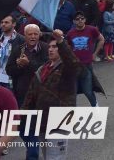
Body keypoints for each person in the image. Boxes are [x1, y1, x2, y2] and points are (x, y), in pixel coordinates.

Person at [22, 30, 80, 158]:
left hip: (59, 120)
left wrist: (61, 41)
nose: (50, 49)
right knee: (47, 156)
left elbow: (73, 62)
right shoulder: (42, 69)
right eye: (49, 47)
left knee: (55, 157)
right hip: (42, 121)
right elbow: (31, 94)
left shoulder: (67, 69)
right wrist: (22, 115)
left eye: (55, 47)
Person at [66, 12, 104, 107]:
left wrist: (95, 54)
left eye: (82, 18)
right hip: (74, 67)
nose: (80, 20)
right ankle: (73, 111)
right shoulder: (70, 33)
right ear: (74, 21)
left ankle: (95, 106)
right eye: (77, 19)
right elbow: (67, 47)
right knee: (72, 92)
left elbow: (101, 39)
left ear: (85, 20)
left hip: (86, 66)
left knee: (88, 91)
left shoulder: (92, 29)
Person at [0, 14, 25, 88]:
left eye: (6, 22)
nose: (3, 24)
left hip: (10, 79)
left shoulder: (21, 40)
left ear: (14, 24)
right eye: (2, 22)